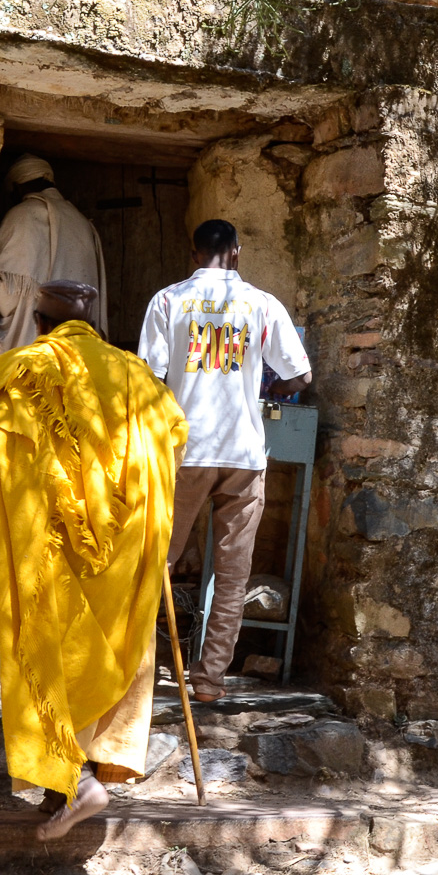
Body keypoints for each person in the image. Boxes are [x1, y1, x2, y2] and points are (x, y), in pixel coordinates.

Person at [0, 280, 187, 839]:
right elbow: (173, 447)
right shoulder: (138, 378)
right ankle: (66, 785)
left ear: (37, 322)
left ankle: (77, 783)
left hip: (48, 545)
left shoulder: (19, 371)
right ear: (95, 322)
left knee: (51, 651)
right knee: (105, 653)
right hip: (128, 548)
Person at [139, 219, 312, 702]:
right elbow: (300, 375)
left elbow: (148, 380)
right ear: (236, 251)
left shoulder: (168, 301)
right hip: (243, 455)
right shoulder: (261, 303)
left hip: (183, 453)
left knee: (156, 565)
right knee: (233, 575)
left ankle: (141, 672)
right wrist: (268, 387)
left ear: (194, 253)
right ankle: (210, 680)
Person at [0, 155, 110, 357]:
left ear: (17, 186)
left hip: (33, 340)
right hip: (77, 341)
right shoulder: (82, 221)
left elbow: (11, 292)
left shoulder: (21, 214)